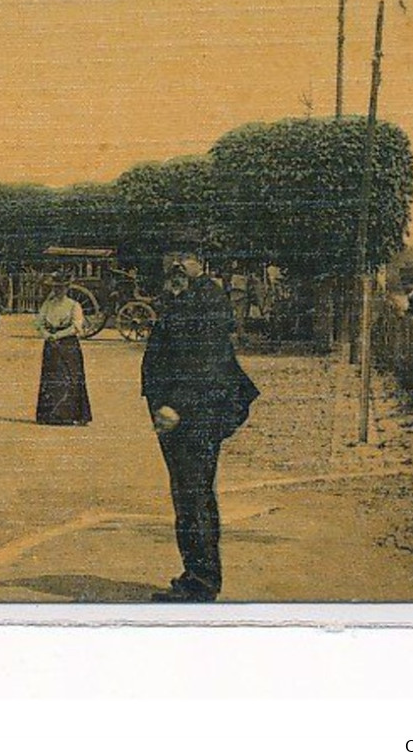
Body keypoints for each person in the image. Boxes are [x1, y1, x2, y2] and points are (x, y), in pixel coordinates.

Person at [141, 252, 260, 603]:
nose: (177, 265)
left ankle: (202, 581)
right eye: (172, 258)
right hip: (180, 415)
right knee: (187, 494)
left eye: (186, 258)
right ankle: (194, 575)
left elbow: (205, 362)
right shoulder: (182, 295)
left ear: (201, 263)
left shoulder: (208, 298)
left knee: (194, 495)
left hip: (195, 414)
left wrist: (176, 404)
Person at [35, 275, 91, 425]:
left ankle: (69, 415)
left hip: (68, 345)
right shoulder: (48, 305)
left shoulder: (74, 305)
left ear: (67, 288)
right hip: (51, 345)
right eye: (56, 287)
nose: (58, 290)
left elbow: (76, 326)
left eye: (61, 287)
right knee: (52, 378)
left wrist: (58, 335)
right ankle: (51, 415)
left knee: (69, 377)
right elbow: (38, 323)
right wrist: (47, 335)